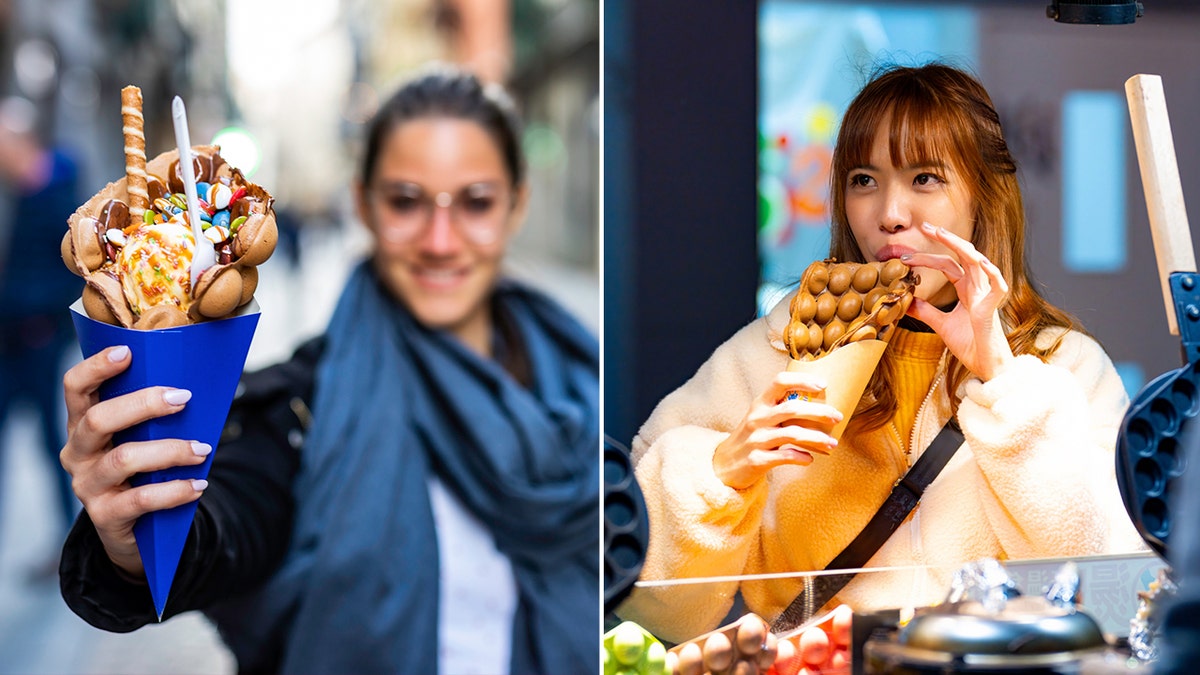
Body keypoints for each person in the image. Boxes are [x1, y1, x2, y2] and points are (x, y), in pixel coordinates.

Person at [57, 66, 600, 675]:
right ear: (364, 204)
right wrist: (136, 538)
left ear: (516, 205)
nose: (441, 239)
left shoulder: (588, 381)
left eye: (475, 201)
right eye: (406, 200)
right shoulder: (297, 405)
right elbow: (229, 520)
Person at [614, 62, 1144, 644]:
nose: (890, 213)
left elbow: (1113, 588)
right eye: (864, 179)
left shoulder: (1064, 366)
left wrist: (1001, 378)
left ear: (984, 195)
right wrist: (721, 473)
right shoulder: (776, 353)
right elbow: (650, 612)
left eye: (925, 179)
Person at [0, 95, 83, 565]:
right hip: (7, 336)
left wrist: (37, 319)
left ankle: (67, 539)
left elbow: (72, 273)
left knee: (53, 439)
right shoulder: (12, 194)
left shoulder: (58, 195)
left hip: (38, 338)